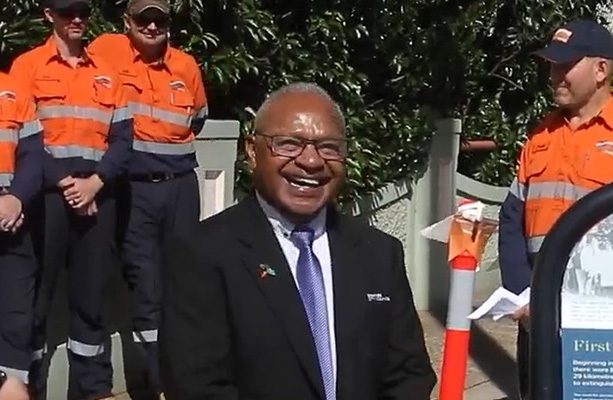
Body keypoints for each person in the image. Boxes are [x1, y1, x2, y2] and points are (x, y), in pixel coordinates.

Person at [158, 83, 435, 400]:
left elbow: (408, 375)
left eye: (329, 147)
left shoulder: (379, 254)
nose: (312, 161)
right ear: (252, 151)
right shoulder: (203, 254)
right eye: (288, 144)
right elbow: (195, 388)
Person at [497, 19, 613, 398]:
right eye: (551, 65)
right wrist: (524, 295)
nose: (553, 75)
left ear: (600, 70)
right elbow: (512, 216)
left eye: (565, 65)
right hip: (539, 311)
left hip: (603, 315)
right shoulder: (540, 134)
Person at [8, 0, 132, 397]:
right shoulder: (27, 67)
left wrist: (96, 183)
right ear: (49, 16)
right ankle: (30, 388)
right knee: (36, 303)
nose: (76, 19)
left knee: (91, 301)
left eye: (83, 12)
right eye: (67, 13)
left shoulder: (108, 74)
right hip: (45, 200)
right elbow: (25, 143)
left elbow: (123, 140)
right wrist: (66, 183)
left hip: (99, 198)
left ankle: (92, 390)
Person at [85, 1, 208, 396]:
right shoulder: (106, 50)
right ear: (128, 23)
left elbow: (199, 118)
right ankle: (155, 382)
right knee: (145, 285)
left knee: (184, 279)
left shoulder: (186, 65)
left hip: (181, 187)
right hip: (133, 188)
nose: (152, 26)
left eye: (160, 20)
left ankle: (184, 372)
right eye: (144, 19)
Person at [0, 71, 44, 400]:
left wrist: (16, 199)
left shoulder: (15, 88)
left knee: (17, 315)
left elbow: (32, 155)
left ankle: (13, 386)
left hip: (12, 217)